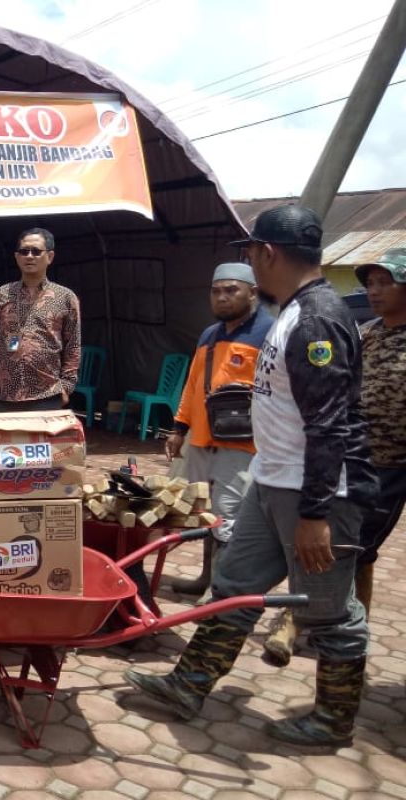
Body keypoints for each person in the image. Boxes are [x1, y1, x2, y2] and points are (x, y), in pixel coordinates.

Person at [123, 204, 375, 747]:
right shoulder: (291, 310)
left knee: (330, 610)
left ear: (268, 253)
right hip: (273, 478)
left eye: (252, 255)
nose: (251, 266)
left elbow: (330, 425)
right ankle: (188, 684)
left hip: (318, 494)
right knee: (234, 584)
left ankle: (334, 720)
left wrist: (315, 515)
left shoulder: (316, 320)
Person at [264, 248, 406, 666]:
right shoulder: (365, 332)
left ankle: (331, 628)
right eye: (371, 283)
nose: (374, 291)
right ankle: (314, 621)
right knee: (329, 544)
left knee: (354, 549)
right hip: (345, 457)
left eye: (386, 283)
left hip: (392, 466)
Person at [164, 263, 273, 595]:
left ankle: (220, 592)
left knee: (229, 514)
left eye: (231, 290)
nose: (223, 298)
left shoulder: (270, 333)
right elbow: (192, 384)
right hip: (200, 438)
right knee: (199, 509)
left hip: (242, 445)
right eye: (216, 291)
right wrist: (178, 427)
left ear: (252, 293)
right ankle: (205, 579)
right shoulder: (209, 335)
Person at [0, 227, 81, 411]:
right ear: (17, 257)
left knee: (40, 442)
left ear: (50, 256)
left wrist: (66, 386)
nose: (29, 256)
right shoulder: (1, 295)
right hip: (2, 395)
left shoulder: (65, 297)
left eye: (36, 251)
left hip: (47, 395)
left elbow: (73, 344)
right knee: (2, 441)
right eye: (24, 251)